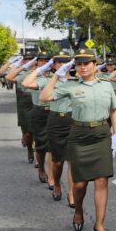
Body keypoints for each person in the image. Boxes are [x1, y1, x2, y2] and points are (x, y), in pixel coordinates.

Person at [41, 49, 116, 231]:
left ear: (95, 65)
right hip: (79, 135)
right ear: (74, 67)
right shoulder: (70, 86)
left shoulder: (105, 86)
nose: (83, 67)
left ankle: (99, 225)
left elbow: (114, 110)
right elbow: (45, 97)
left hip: (101, 134)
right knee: (79, 184)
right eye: (78, 64)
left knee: (102, 180)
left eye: (87, 63)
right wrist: (56, 76)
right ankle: (78, 211)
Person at [42, 52, 75, 204]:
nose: (61, 65)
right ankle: (56, 183)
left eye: (65, 62)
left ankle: (72, 194)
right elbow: (28, 84)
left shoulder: (77, 81)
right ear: (53, 65)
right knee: (57, 162)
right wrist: (52, 74)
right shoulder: (49, 81)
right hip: (56, 120)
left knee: (72, 160)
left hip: (73, 120)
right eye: (58, 62)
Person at [21, 53, 58, 186]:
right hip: (39, 112)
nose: (44, 63)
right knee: (41, 146)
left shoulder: (57, 75)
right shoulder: (35, 75)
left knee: (53, 146)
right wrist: (38, 70)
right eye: (41, 61)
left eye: (47, 61)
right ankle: (41, 168)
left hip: (55, 112)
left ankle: (52, 178)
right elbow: (26, 83)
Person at [5, 51, 36, 163]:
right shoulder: (22, 73)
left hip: (37, 103)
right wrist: (20, 66)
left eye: (30, 59)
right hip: (24, 104)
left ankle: (38, 156)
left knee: (38, 131)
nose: (28, 61)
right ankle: (29, 150)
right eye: (26, 59)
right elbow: (8, 76)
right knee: (28, 132)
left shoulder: (40, 72)